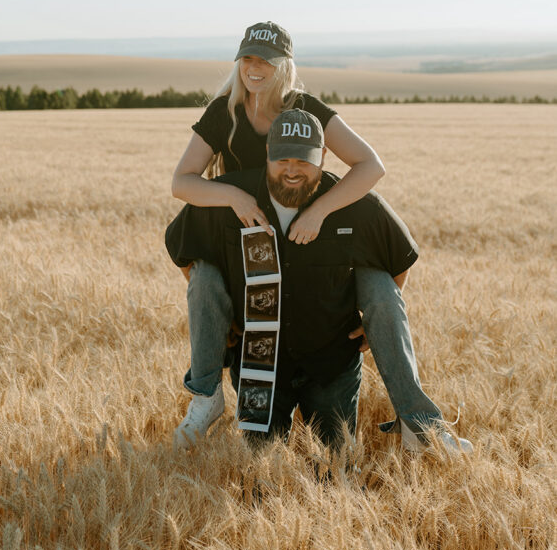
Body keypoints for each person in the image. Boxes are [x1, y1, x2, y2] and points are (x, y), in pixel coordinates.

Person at [170, 21, 472, 453]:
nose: (255, 69)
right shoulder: (225, 112)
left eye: (267, 61)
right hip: (246, 241)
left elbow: (370, 165)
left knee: (377, 284)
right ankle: (206, 395)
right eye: (248, 59)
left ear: (285, 66)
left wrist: (319, 211)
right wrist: (233, 196)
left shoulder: (306, 108)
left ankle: (419, 424)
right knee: (204, 277)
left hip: (311, 240)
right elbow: (182, 182)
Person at [167, 110, 422, 450]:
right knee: (255, 465)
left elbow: (398, 261)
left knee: (338, 462)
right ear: (267, 154)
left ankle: (418, 424)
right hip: (258, 364)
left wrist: (374, 319)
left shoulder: (357, 206)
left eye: (303, 161)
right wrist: (219, 314)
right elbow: (185, 255)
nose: (291, 170)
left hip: (330, 364)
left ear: (323, 158)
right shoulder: (228, 197)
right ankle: (207, 398)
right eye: (282, 158)